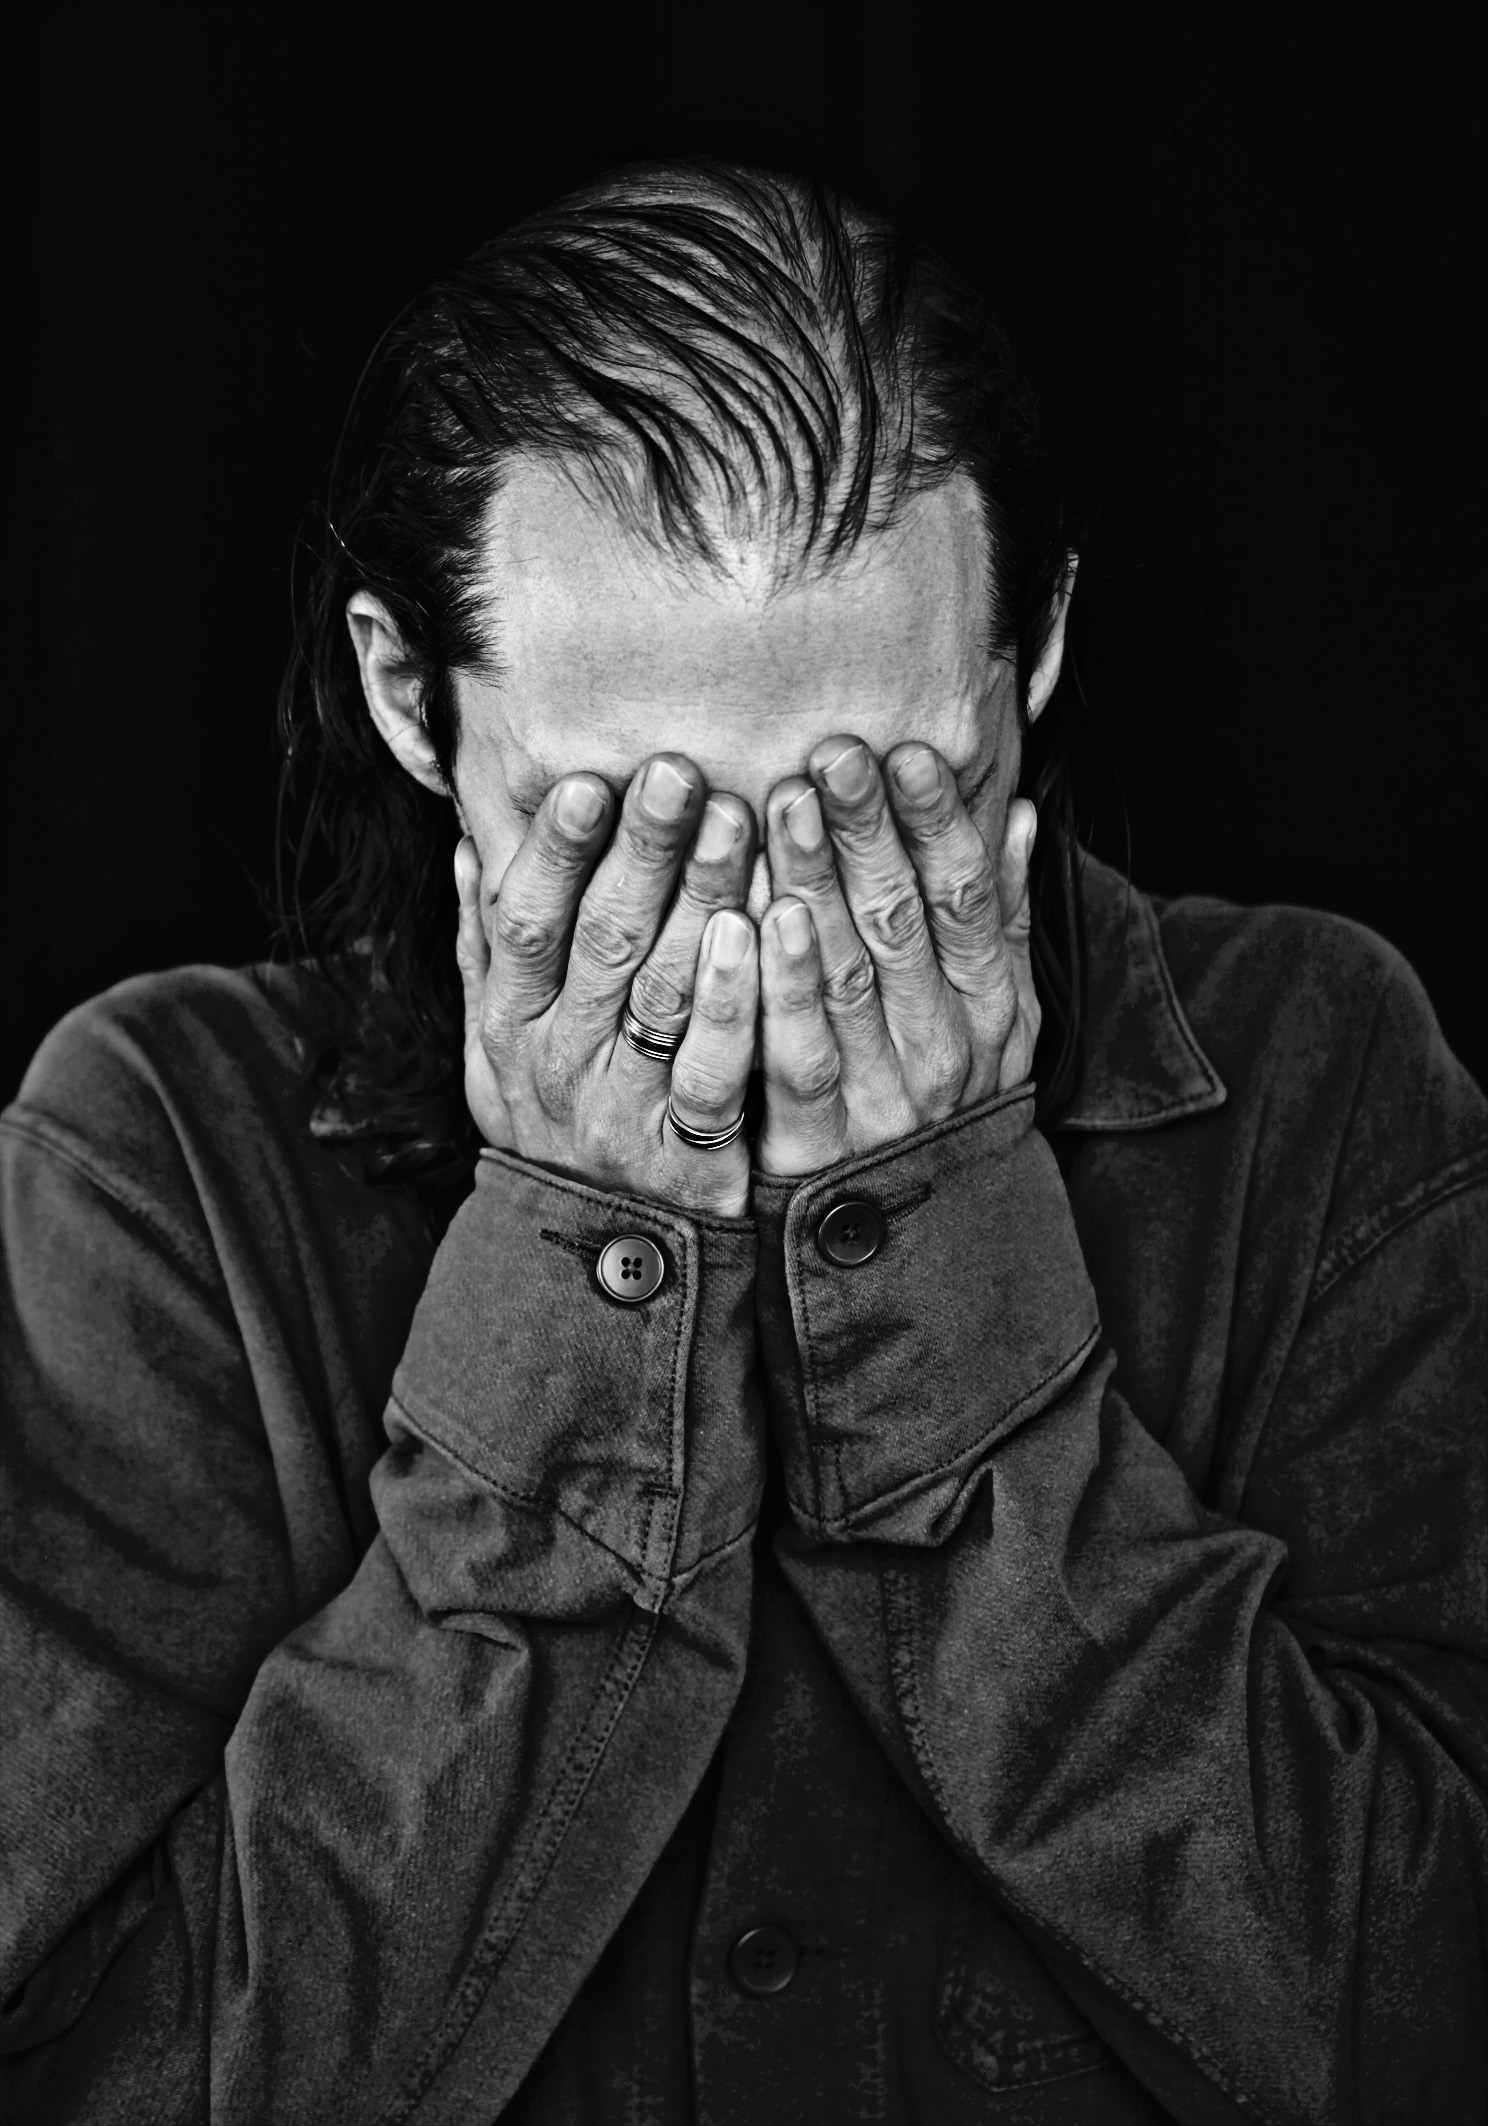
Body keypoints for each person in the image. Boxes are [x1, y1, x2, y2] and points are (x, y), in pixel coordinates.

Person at [1, 159, 1483, 2126]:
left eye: (881, 802)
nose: (767, 926)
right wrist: (574, 1269)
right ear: (409, 699)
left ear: (1036, 646)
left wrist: (950, 1275)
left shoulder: (1319, 1072)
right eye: (633, 826)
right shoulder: (157, 1154)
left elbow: (1424, 2025)